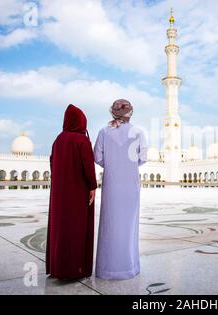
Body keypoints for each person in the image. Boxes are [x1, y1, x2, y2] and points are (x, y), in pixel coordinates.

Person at [94, 99, 148, 280]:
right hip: (130, 184)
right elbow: (143, 158)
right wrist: (128, 165)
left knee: (110, 223)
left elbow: (98, 158)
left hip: (111, 184)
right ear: (130, 112)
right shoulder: (138, 132)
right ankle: (128, 267)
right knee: (129, 225)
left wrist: (113, 164)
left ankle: (107, 269)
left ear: (113, 112)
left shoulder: (104, 131)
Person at [46, 104, 98, 280]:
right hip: (77, 193)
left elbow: (52, 165)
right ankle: (75, 269)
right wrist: (93, 186)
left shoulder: (58, 140)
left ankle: (57, 268)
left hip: (59, 194)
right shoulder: (81, 140)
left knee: (60, 229)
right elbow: (88, 167)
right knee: (76, 228)